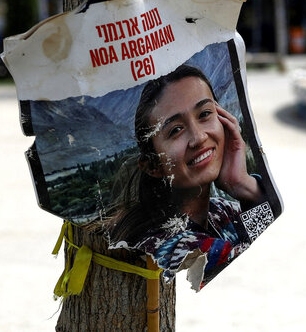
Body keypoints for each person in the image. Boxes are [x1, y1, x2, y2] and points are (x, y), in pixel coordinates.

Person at [108, 64, 264, 289]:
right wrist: (249, 190)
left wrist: (242, 184)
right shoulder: (168, 245)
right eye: (175, 130)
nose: (199, 138)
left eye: (205, 114)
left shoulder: (221, 210)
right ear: (153, 165)